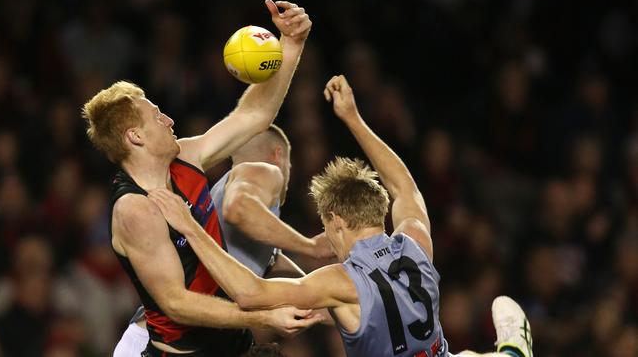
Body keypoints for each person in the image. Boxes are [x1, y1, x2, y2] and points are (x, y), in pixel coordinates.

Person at [147, 75, 534, 357]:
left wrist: (190, 229)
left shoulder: (339, 279)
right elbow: (405, 186)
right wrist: (353, 119)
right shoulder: (416, 240)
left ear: (335, 220)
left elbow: (249, 295)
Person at [82, 0, 318, 357]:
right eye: (157, 116)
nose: (170, 121)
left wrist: (291, 45)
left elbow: (254, 114)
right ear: (135, 137)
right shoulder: (135, 211)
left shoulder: (188, 155)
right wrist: (264, 315)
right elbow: (177, 303)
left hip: (233, 341)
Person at [114, 125, 334, 356]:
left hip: (162, 339)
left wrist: (331, 301)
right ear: (278, 155)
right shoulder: (264, 171)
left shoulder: (235, 204)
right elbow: (237, 209)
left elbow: (266, 266)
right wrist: (311, 247)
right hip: (167, 343)